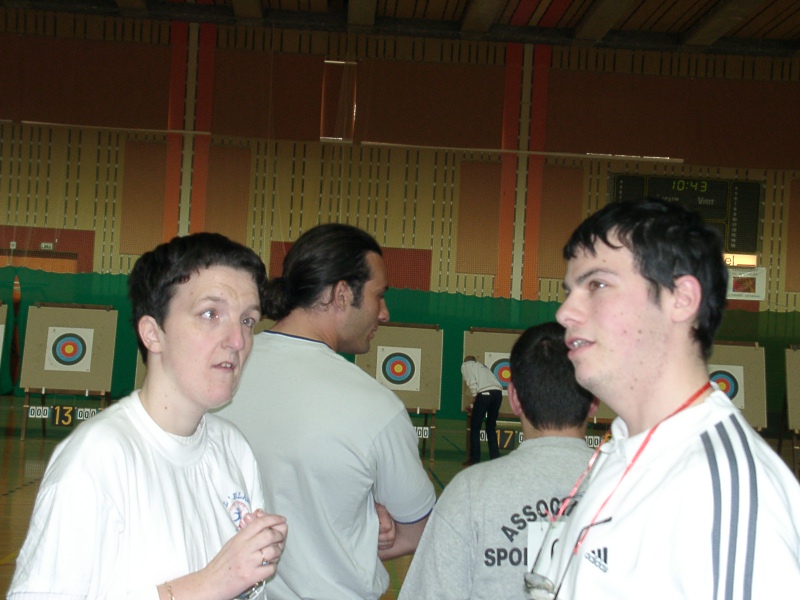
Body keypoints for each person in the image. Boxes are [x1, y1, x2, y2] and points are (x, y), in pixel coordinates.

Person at [526, 198, 800, 599]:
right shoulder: (624, 448)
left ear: (681, 298)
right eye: (569, 291)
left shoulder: (721, 492)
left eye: (597, 285)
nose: (565, 312)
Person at [9, 232, 288, 600]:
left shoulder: (232, 447)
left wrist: (249, 570)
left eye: (248, 320)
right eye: (210, 314)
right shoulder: (97, 458)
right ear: (153, 334)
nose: (237, 340)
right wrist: (211, 583)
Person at [217, 223, 436, 600]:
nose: (384, 313)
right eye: (378, 295)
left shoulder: (219, 374)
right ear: (341, 294)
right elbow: (419, 529)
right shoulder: (375, 407)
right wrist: (365, 525)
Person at [398, 322, 596, 599]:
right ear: (595, 399)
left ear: (514, 398)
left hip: (484, 398)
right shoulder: (638, 488)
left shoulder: (468, 492)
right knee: (488, 429)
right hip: (492, 395)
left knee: (477, 428)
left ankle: (477, 457)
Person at [461, 355, 504, 465]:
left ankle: (474, 459)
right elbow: (487, 388)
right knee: (490, 427)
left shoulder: (467, 365)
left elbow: (473, 383)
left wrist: (474, 396)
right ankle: (495, 458)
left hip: (484, 394)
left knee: (475, 427)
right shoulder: (483, 367)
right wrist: (473, 405)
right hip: (498, 394)